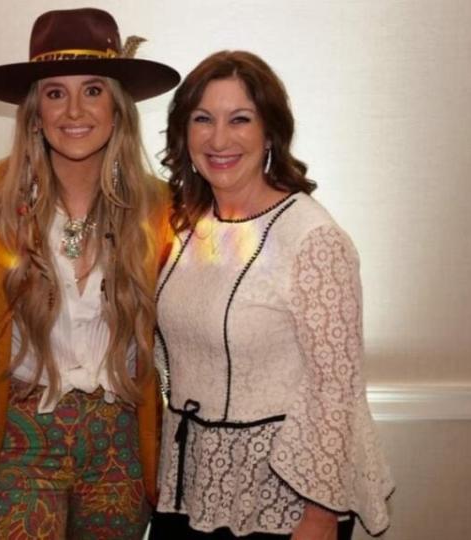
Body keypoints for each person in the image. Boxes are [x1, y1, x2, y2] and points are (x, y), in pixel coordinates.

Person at [0, 8, 179, 539]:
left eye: (93, 90)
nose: (74, 110)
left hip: (118, 442)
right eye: (55, 93)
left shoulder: (164, 211)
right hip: (19, 441)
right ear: (34, 111)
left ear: (118, 108)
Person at [149, 50, 394, 540]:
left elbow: (336, 389)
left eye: (240, 119)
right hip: (187, 487)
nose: (219, 139)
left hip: (282, 503)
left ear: (270, 133)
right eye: (203, 119)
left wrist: (321, 514)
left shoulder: (312, 238)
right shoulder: (184, 225)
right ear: (184, 133)